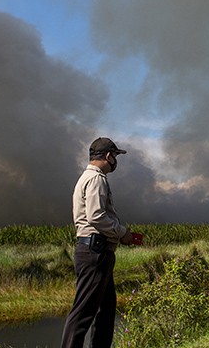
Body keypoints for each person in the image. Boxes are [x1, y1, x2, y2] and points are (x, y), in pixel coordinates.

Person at [61, 137, 141, 348]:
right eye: (115, 156)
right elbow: (96, 216)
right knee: (83, 312)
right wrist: (122, 233)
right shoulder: (97, 179)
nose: (115, 161)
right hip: (95, 252)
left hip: (96, 251)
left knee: (106, 309)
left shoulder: (85, 178)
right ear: (108, 156)